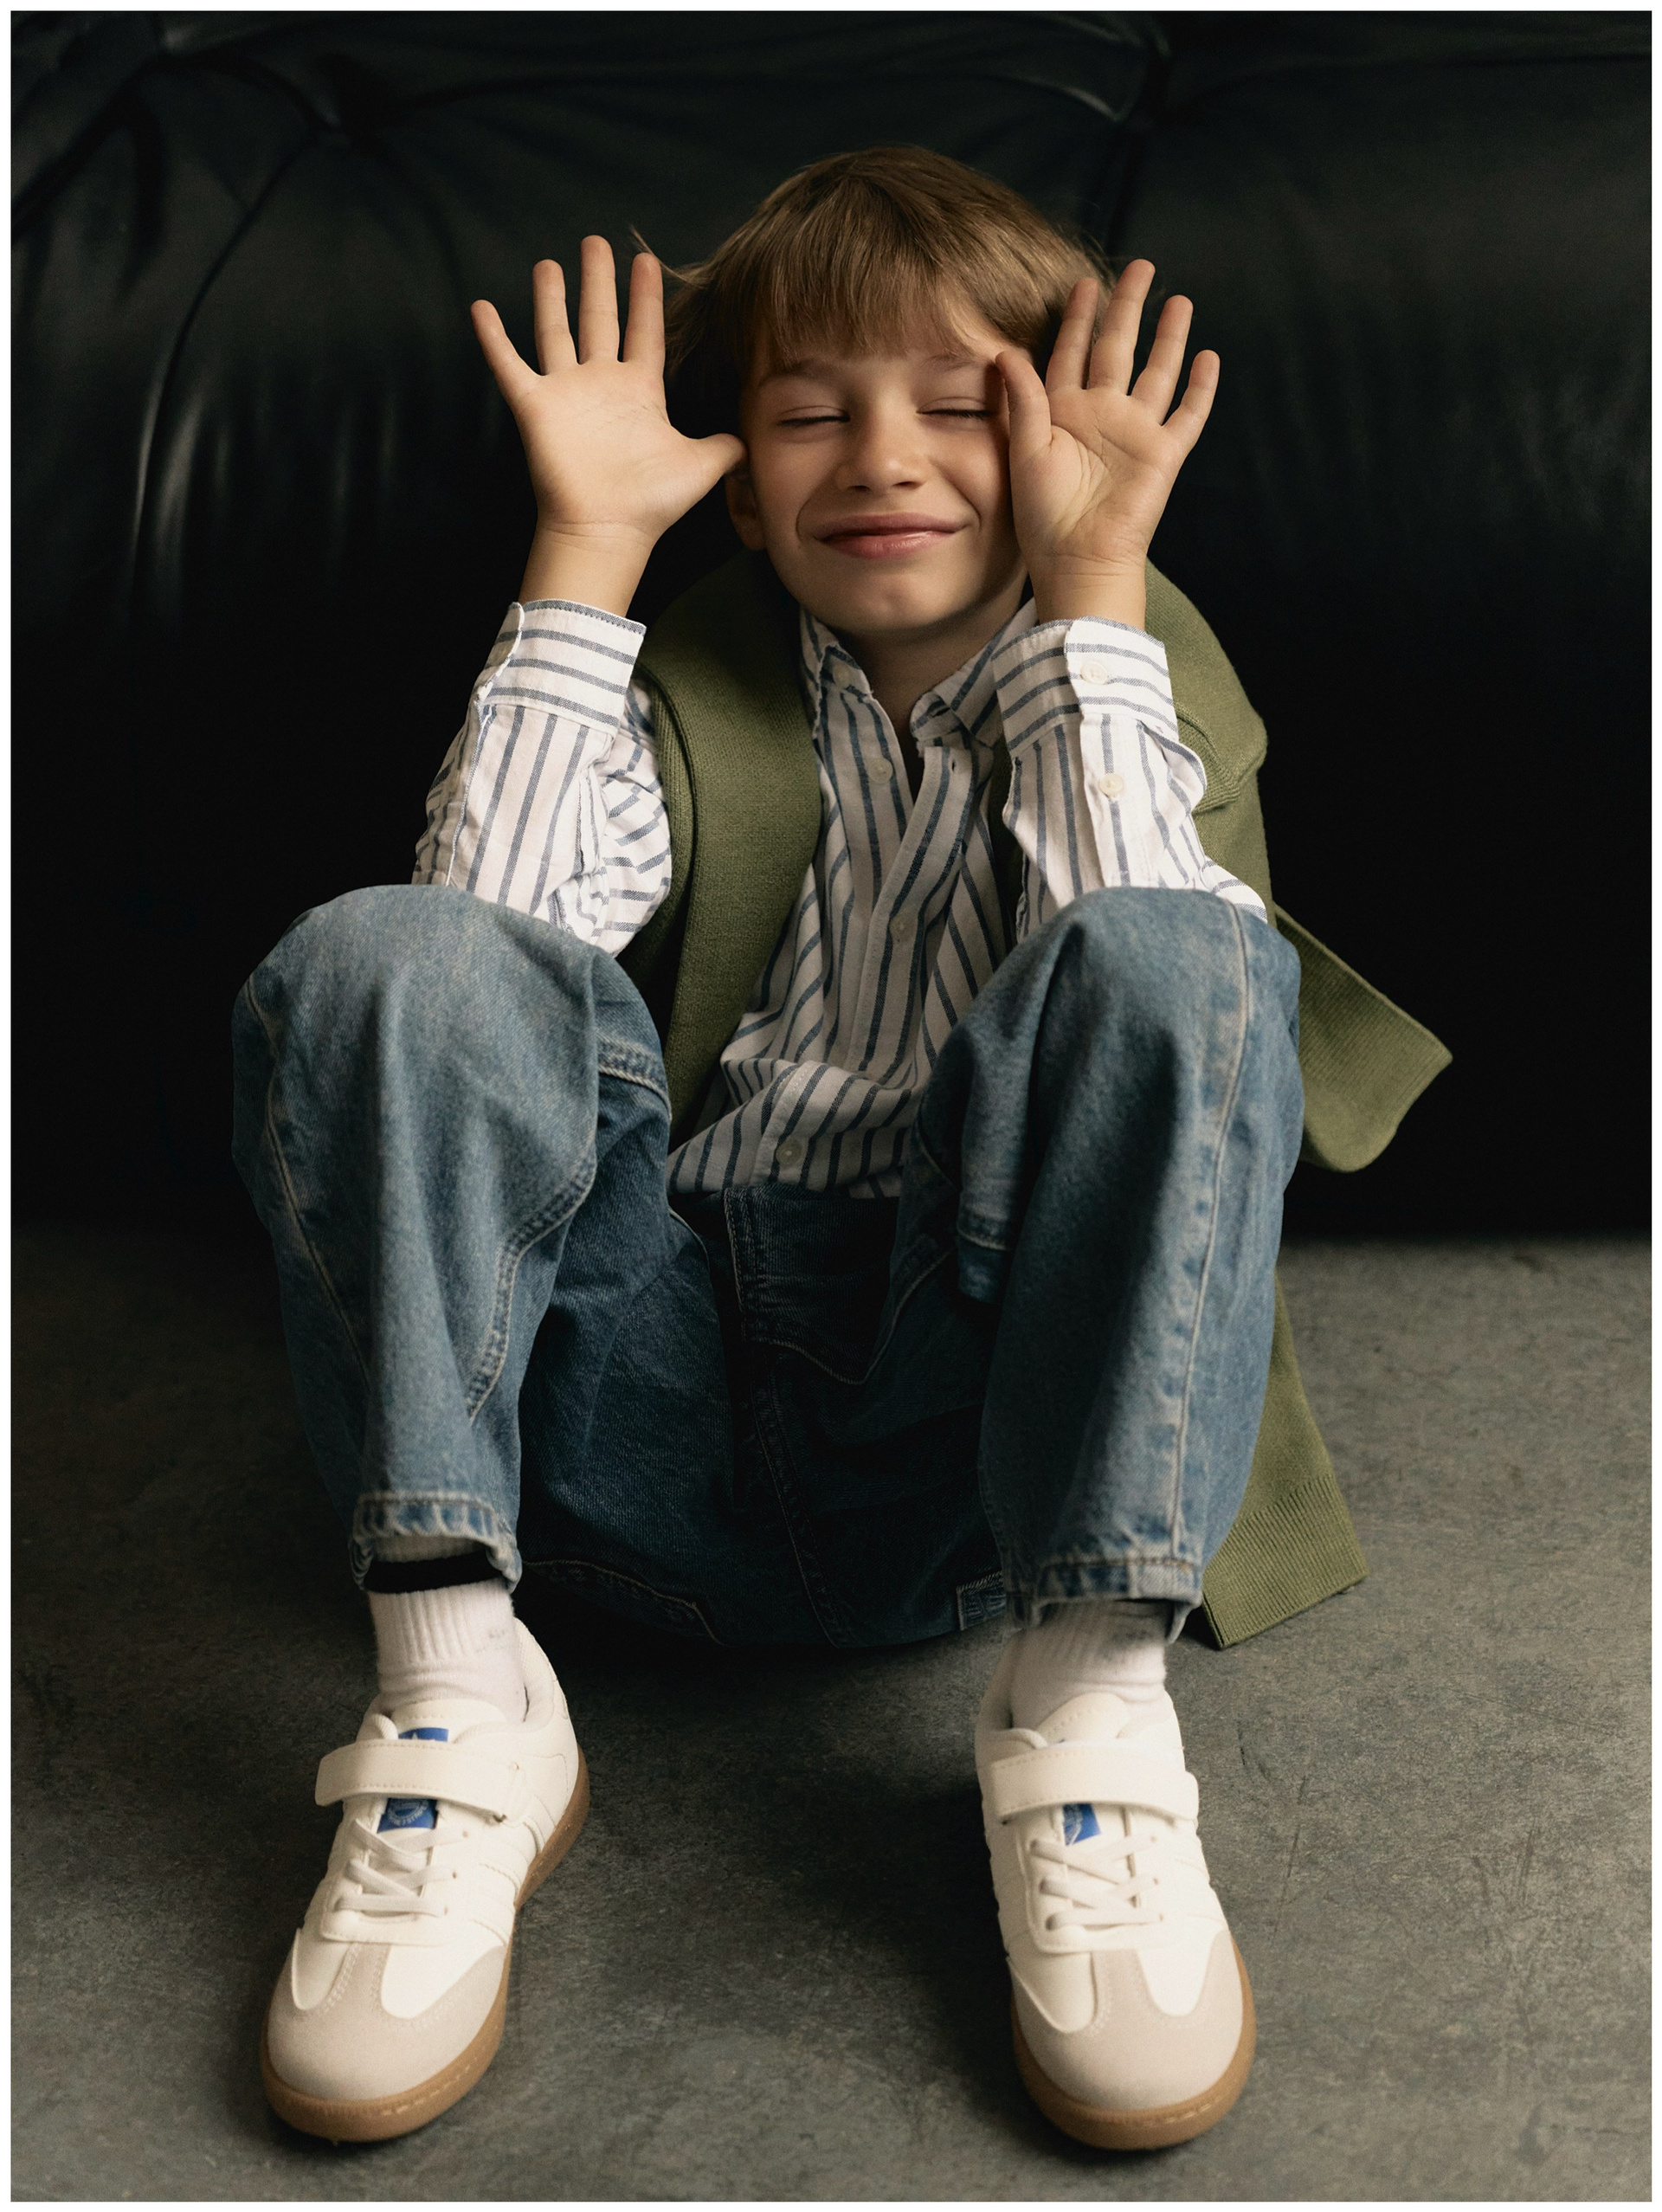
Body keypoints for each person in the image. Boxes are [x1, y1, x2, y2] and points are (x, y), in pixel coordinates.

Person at [232, 147, 1397, 2151]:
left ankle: (1088, 1723)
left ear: (1057, 437)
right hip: (625, 1429)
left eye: (962, 405)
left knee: (1185, 954)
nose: (885, 459)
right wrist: (586, 554)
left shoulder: (1139, 680)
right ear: (740, 472)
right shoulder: (690, 672)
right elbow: (468, 978)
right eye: (806, 413)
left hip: (983, 1454)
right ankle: (456, 1697)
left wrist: (1093, 591)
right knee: (383, 958)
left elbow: (1167, 1022)